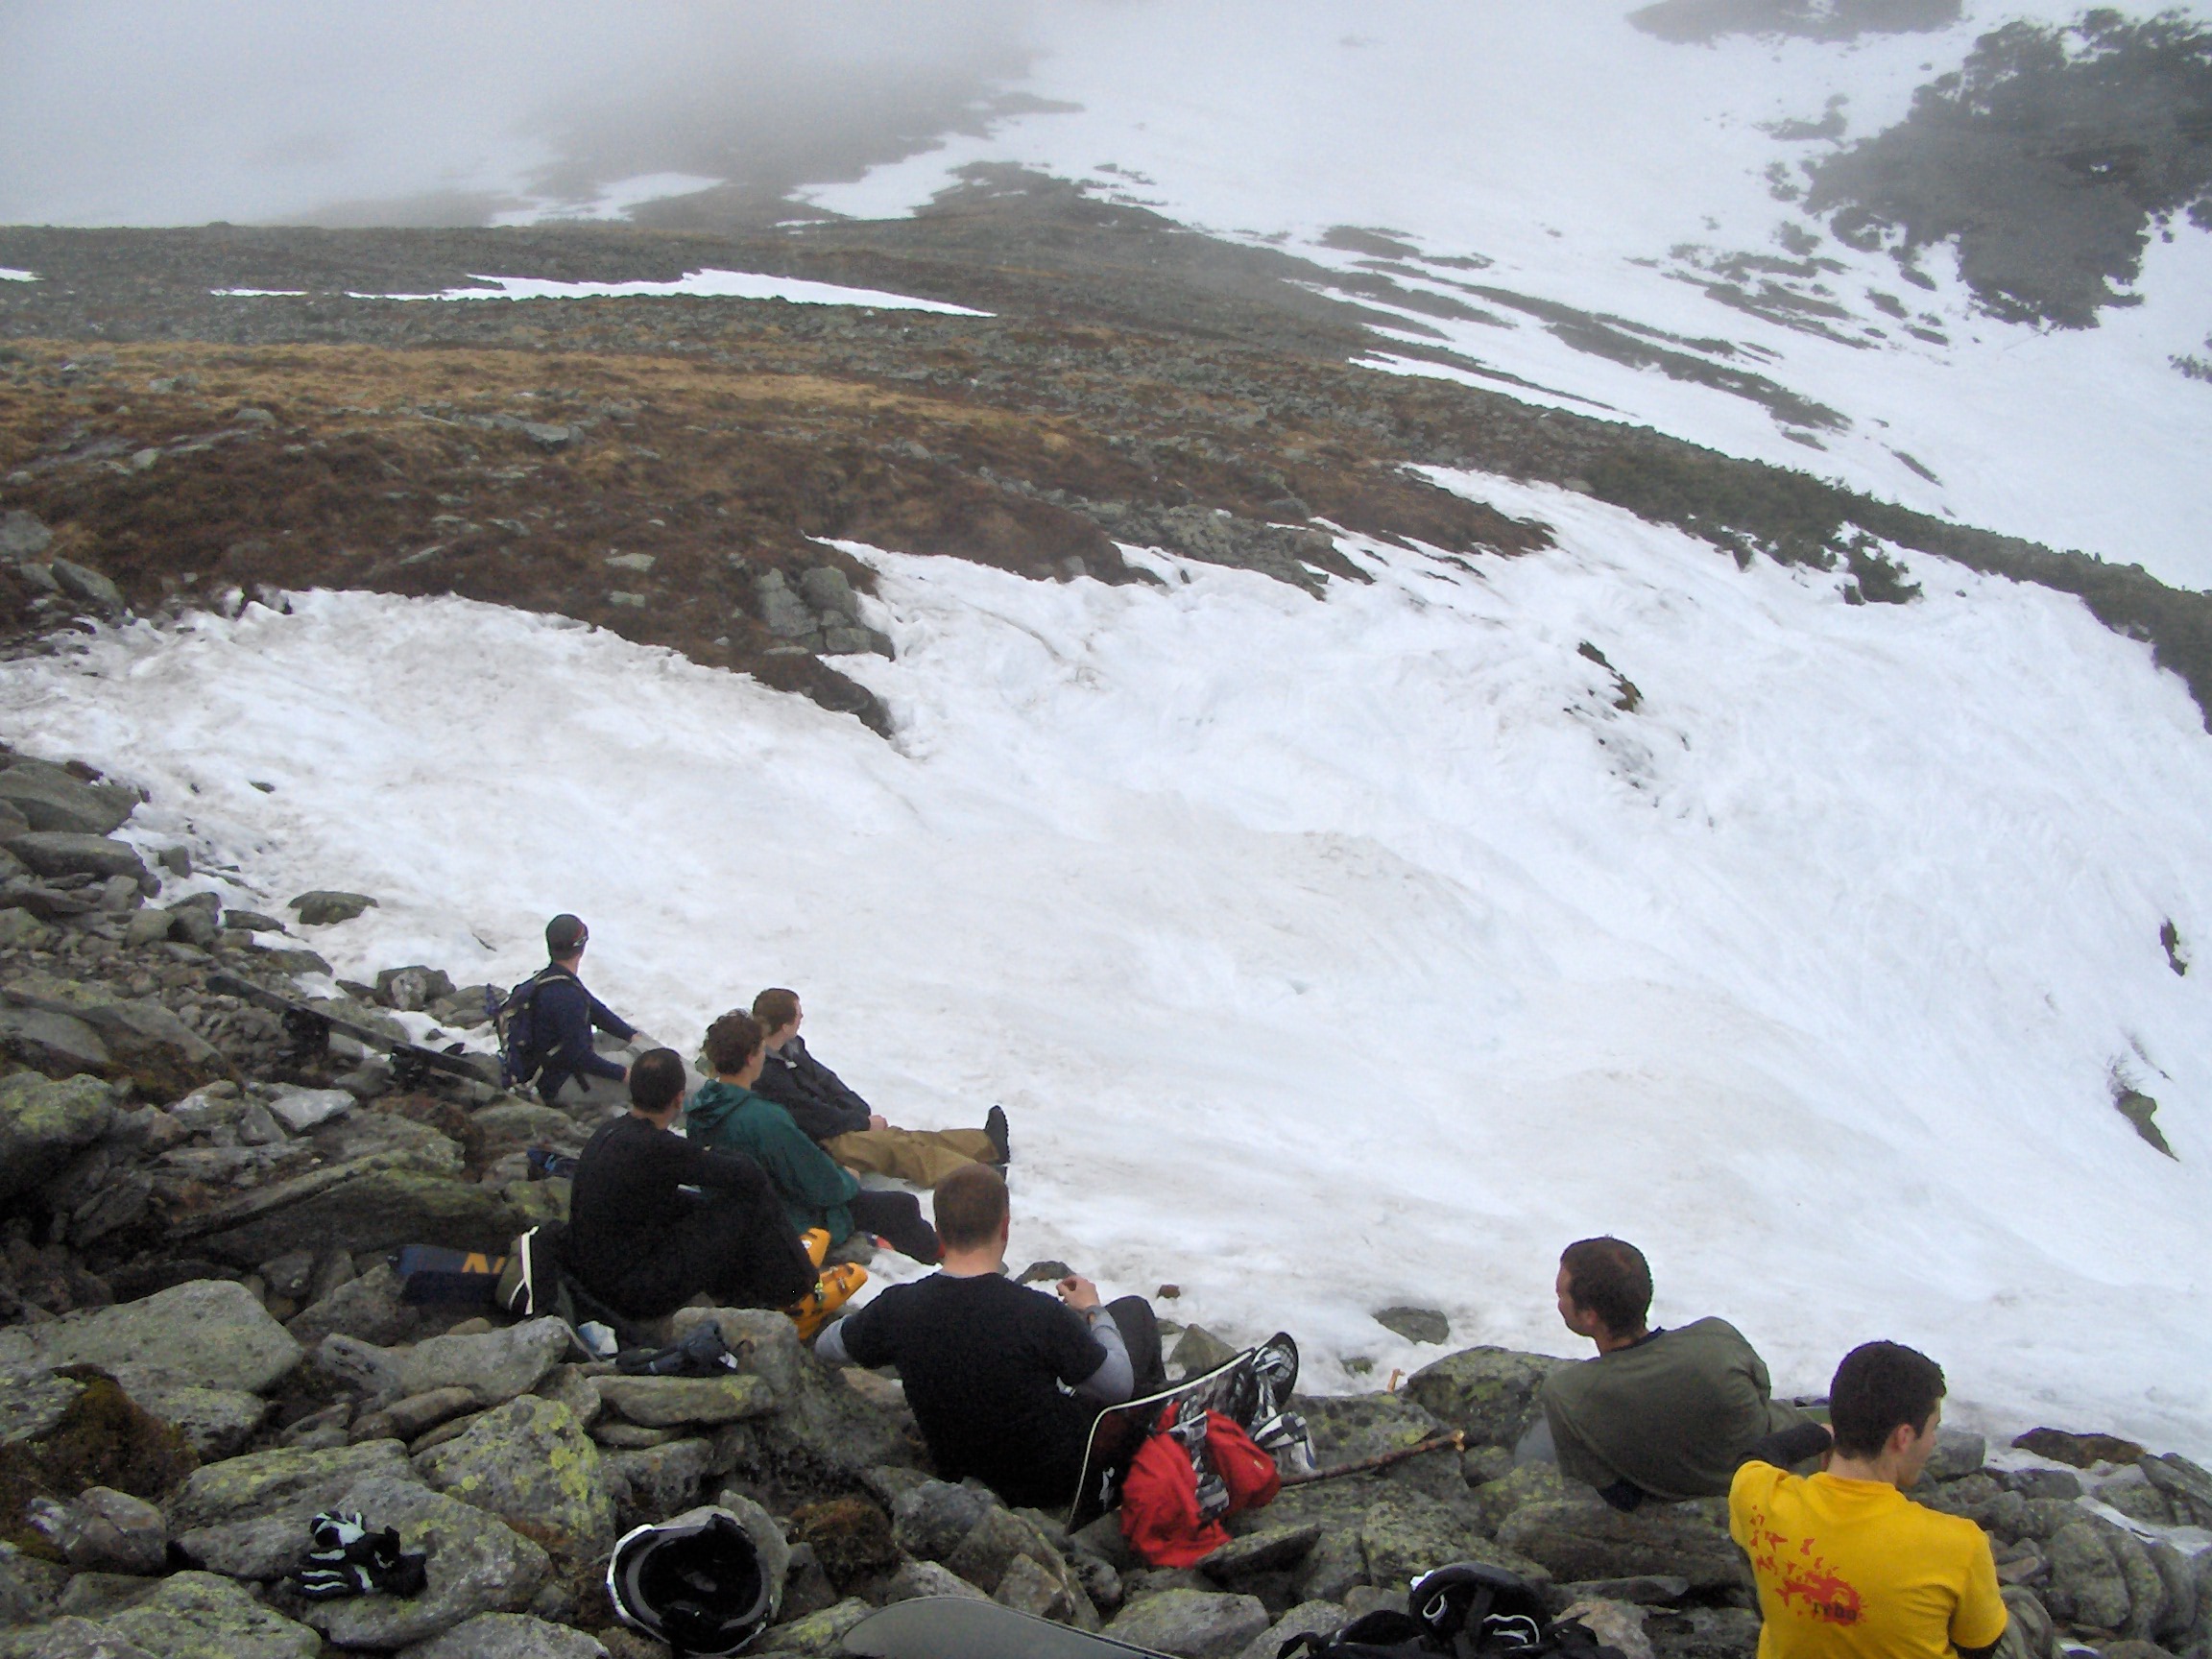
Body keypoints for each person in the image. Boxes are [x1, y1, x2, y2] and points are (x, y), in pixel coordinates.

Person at [813, 1164, 1167, 1508]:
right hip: (1058, 1479)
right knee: (1132, 1312)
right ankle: (1156, 1448)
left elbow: (828, 1347)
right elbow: (1118, 1385)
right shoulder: (1036, 1312)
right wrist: (1093, 1310)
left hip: (963, 1472)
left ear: (939, 1231)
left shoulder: (899, 1308)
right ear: (1005, 1228)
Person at [1731, 1341, 2008, 1659]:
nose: (1933, 1441)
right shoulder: (1960, 1545)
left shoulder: (1760, 1500)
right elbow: (1980, 1648)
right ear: (1903, 1437)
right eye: (1933, 1429)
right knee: (2021, 1611)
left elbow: (1757, 1457)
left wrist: (1824, 1435)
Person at [1535, 1237, 1829, 1507]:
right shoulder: (1717, 1339)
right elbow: (1761, 1393)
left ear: (1589, 1316)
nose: (1558, 1301)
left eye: (1561, 1294)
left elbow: (1617, 1494)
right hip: (1795, 1464)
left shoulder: (1567, 1394)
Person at [564, 1048, 820, 1323]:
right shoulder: (657, 1147)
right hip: (632, 1293)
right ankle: (800, 1290)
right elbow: (749, 1175)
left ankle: (748, 1287)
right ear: (679, 1098)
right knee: (748, 1203)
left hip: (596, 1274)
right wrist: (714, 1151)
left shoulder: (610, 1132)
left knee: (699, 1206)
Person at [686, 1010, 942, 1264]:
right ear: (752, 1057)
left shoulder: (702, 1109)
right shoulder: (763, 1118)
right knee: (902, 1206)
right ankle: (942, 1264)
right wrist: (847, 1178)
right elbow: (821, 1185)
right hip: (790, 1219)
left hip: (748, 1213)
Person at [750, 988, 1008, 1186]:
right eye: (798, 1013)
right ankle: (977, 1178)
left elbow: (826, 1080)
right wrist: (861, 1123)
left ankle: (986, 1144)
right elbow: (809, 1114)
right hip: (817, 1142)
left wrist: (858, 1111)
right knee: (895, 1149)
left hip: (833, 1125)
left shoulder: (791, 1047)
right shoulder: (766, 1072)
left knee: (900, 1136)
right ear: (784, 1026)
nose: (802, 1017)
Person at [514, 914, 637, 1105]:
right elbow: (580, 1057)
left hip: (546, 1070)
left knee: (627, 1041)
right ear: (581, 947)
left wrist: (632, 1035)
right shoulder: (567, 996)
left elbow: (595, 1010)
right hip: (559, 1084)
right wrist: (626, 1075)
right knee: (650, 1074)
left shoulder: (549, 980)